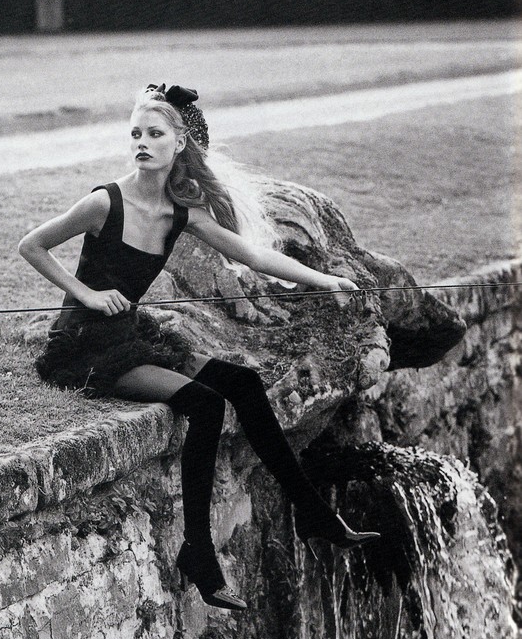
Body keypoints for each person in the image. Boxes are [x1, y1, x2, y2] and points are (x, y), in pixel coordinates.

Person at [19, 83, 379, 612]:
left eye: (154, 134)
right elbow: (32, 244)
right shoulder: (104, 203)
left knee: (244, 383)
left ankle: (312, 511)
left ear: (179, 143)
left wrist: (324, 281)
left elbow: (254, 257)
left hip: (130, 335)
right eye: (136, 134)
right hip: (83, 347)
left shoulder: (180, 214)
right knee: (205, 403)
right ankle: (198, 551)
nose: (142, 142)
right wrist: (87, 294)